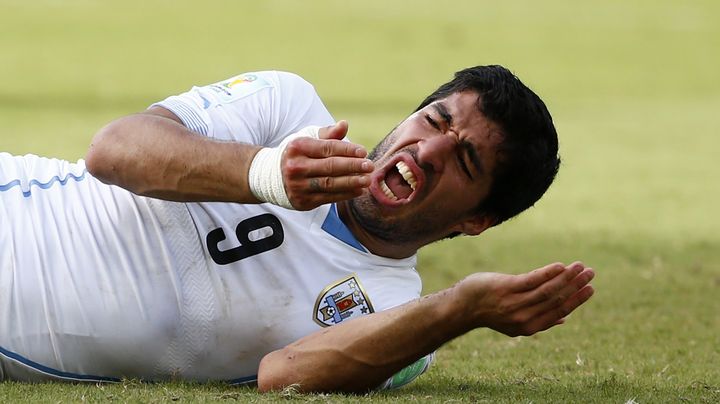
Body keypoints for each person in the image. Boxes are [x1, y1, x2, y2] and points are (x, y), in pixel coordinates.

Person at [0, 66, 594, 393]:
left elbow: (282, 376)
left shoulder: (400, 317)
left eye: (465, 160)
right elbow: (114, 150)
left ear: (475, 220)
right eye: (434, 120)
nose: (430, 148)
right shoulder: (288, 109)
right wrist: (263, 173)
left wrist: (461, 308)